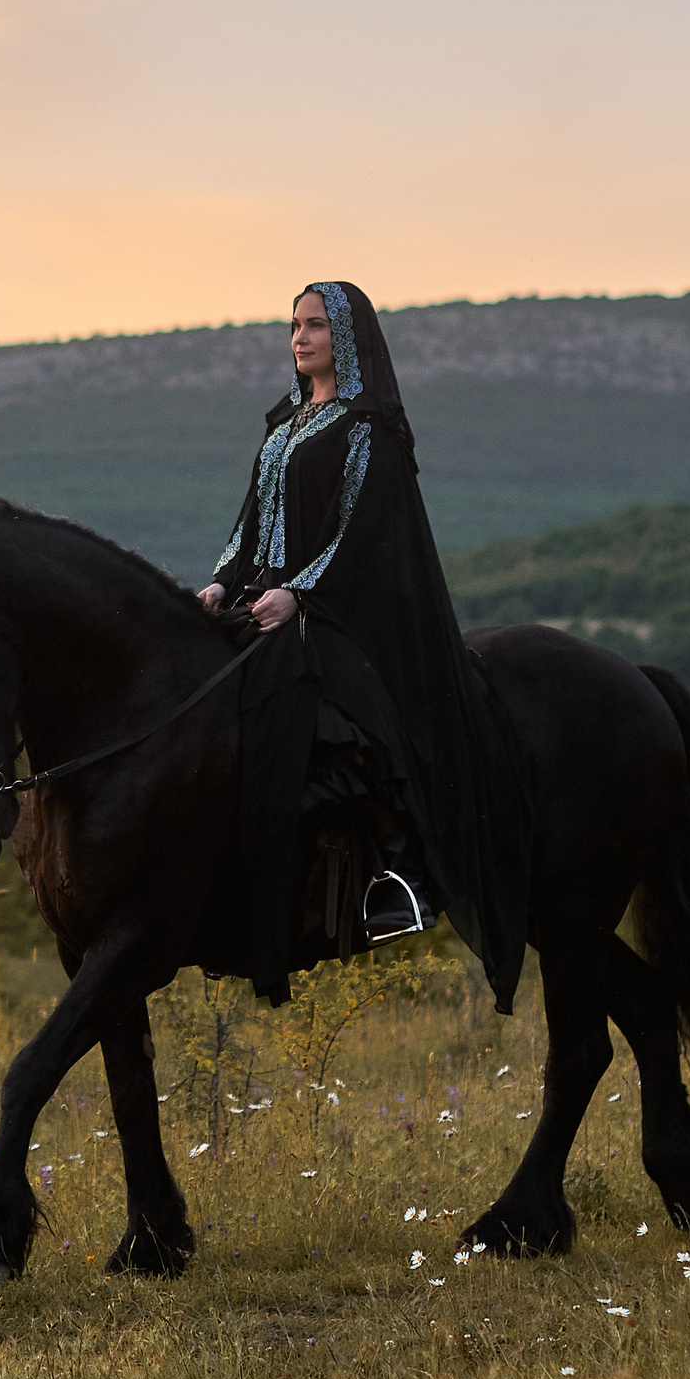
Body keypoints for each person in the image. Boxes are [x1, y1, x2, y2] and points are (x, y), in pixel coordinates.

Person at [195, 281, 533, 1008]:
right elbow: (250, 520)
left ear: (346, 339)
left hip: (341, 614)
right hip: (265, 602)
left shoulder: (366, 428)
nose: (301, 337)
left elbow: (362, 533)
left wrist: (302, 594)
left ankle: (392, 876)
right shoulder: (285, 424)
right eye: (294, 326)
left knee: (334, 728)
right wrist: (223, 582)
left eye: (315, 325)